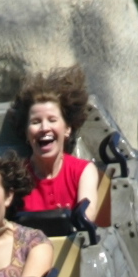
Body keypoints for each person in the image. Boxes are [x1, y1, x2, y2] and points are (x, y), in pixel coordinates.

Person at [11, 66, 102, 216]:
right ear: (26, 132)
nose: (44, 128)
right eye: (35, 122)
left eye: (52, 120)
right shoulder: (16, 176)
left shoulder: (83, 171)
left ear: (67, 129)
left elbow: (87, 217)